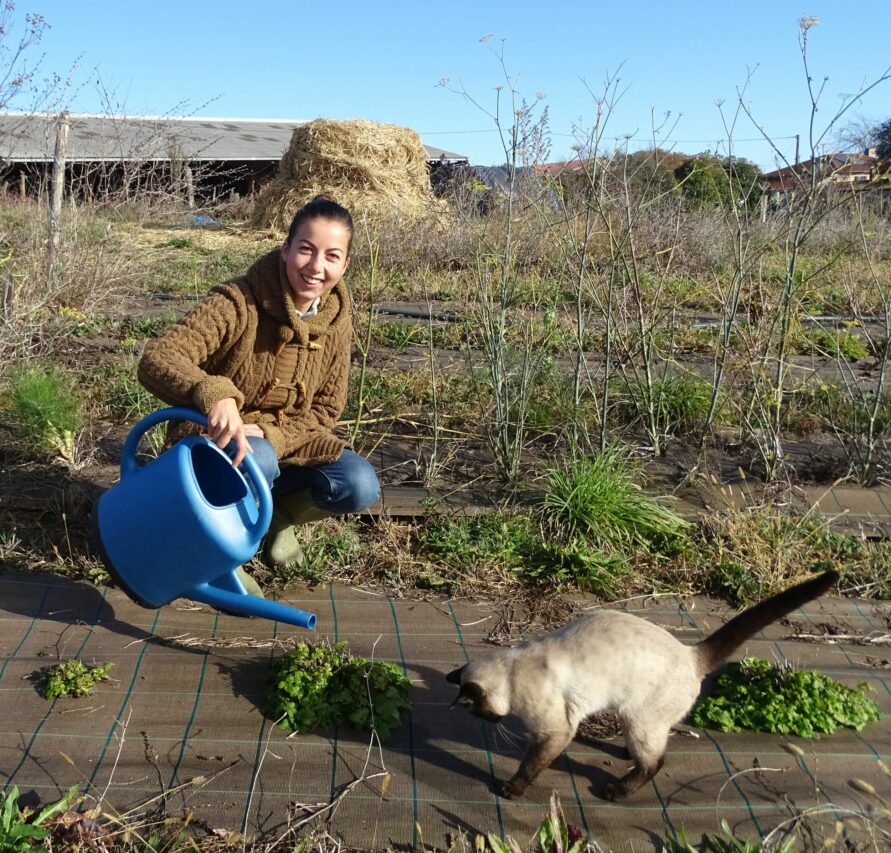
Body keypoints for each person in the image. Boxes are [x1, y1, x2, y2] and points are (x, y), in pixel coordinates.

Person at [137, 196, 380, 595]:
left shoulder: (336, 320)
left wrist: (273, 434)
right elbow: (159, 358)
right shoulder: (238, 302)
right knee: (255, 456)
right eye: (305, 249)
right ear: (285, 249)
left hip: (280, 445)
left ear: (345, 264)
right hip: (211, 441)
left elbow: (326, 409)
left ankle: (277, 520)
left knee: (358, 483)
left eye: (332, 256)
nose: (316, 267)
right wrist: (216, 394)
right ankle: (220, 556)